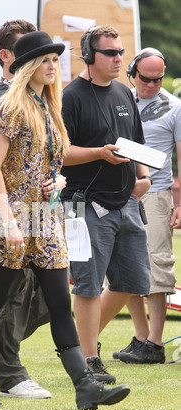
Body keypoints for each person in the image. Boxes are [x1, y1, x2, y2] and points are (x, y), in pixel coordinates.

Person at [0, 30, 130, 410]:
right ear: (27, 65)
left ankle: (85, 386)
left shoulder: (48, 107)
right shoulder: (9, 107)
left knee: (60, 302)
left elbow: (52, 161)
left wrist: (58, 179)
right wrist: (9, 222)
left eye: (54, 60)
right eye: (44, 59)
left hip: (44, 218)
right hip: (8, 216)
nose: (51, 65)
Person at [61, 26, 151, 384]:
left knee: (131, 281)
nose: (118, 59)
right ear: (88, 56)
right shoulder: (70, 97)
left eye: (121, 51)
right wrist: (98, 154)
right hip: (82, 205)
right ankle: (88, 358)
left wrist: (143, 178)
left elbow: (136, 143)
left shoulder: (123, 93)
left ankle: (79, 342)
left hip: (127, 201)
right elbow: (60, 155)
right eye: (110, 53)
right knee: (86, 284)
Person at [0, 19, 51, 399]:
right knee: (14, 292)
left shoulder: (35, 100)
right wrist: (7, 218)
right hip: (6, 214)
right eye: (30, 51)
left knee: (47, 295)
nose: (41, 59)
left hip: (35, 212)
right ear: (7, 56)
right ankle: (8, 371)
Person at [100, 48, 181, 364]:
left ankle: (156, 342)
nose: (152, 84)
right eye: (146, 79)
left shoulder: (174, 107)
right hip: (120, 193)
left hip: (157, 194)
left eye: (158, 79)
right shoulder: (119, 100)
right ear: (132, 74)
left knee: (158, 266)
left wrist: (179, 201)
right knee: (125, 266)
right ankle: (141, 336)